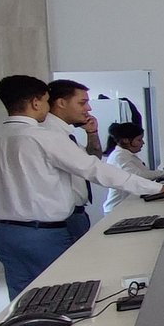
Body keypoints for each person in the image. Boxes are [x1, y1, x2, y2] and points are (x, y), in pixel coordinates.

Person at [0, 75, 164, 300]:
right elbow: (95, 169)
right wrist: (157, 188)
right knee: (60, 294)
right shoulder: (44, 138)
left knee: (23, 300)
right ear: (36, 103)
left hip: (3, 233)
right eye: (46, 101)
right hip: (42, 234)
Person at [44, 79, 104, 241]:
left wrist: (92, 133)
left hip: (77, 213)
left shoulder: (65, 133)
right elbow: (93, 169)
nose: (88, 108)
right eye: (82, 103)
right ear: (61, 103)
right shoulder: (49, 134)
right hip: (64, 217)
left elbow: (92, 159)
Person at [102, 122, 164, 213]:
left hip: (128, 204)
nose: (143, 143)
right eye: (139, 140)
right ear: (126, 140)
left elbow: (146, 174)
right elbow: (140, 176)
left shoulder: (127, 155)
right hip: (117, 208)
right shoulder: (120, 157)